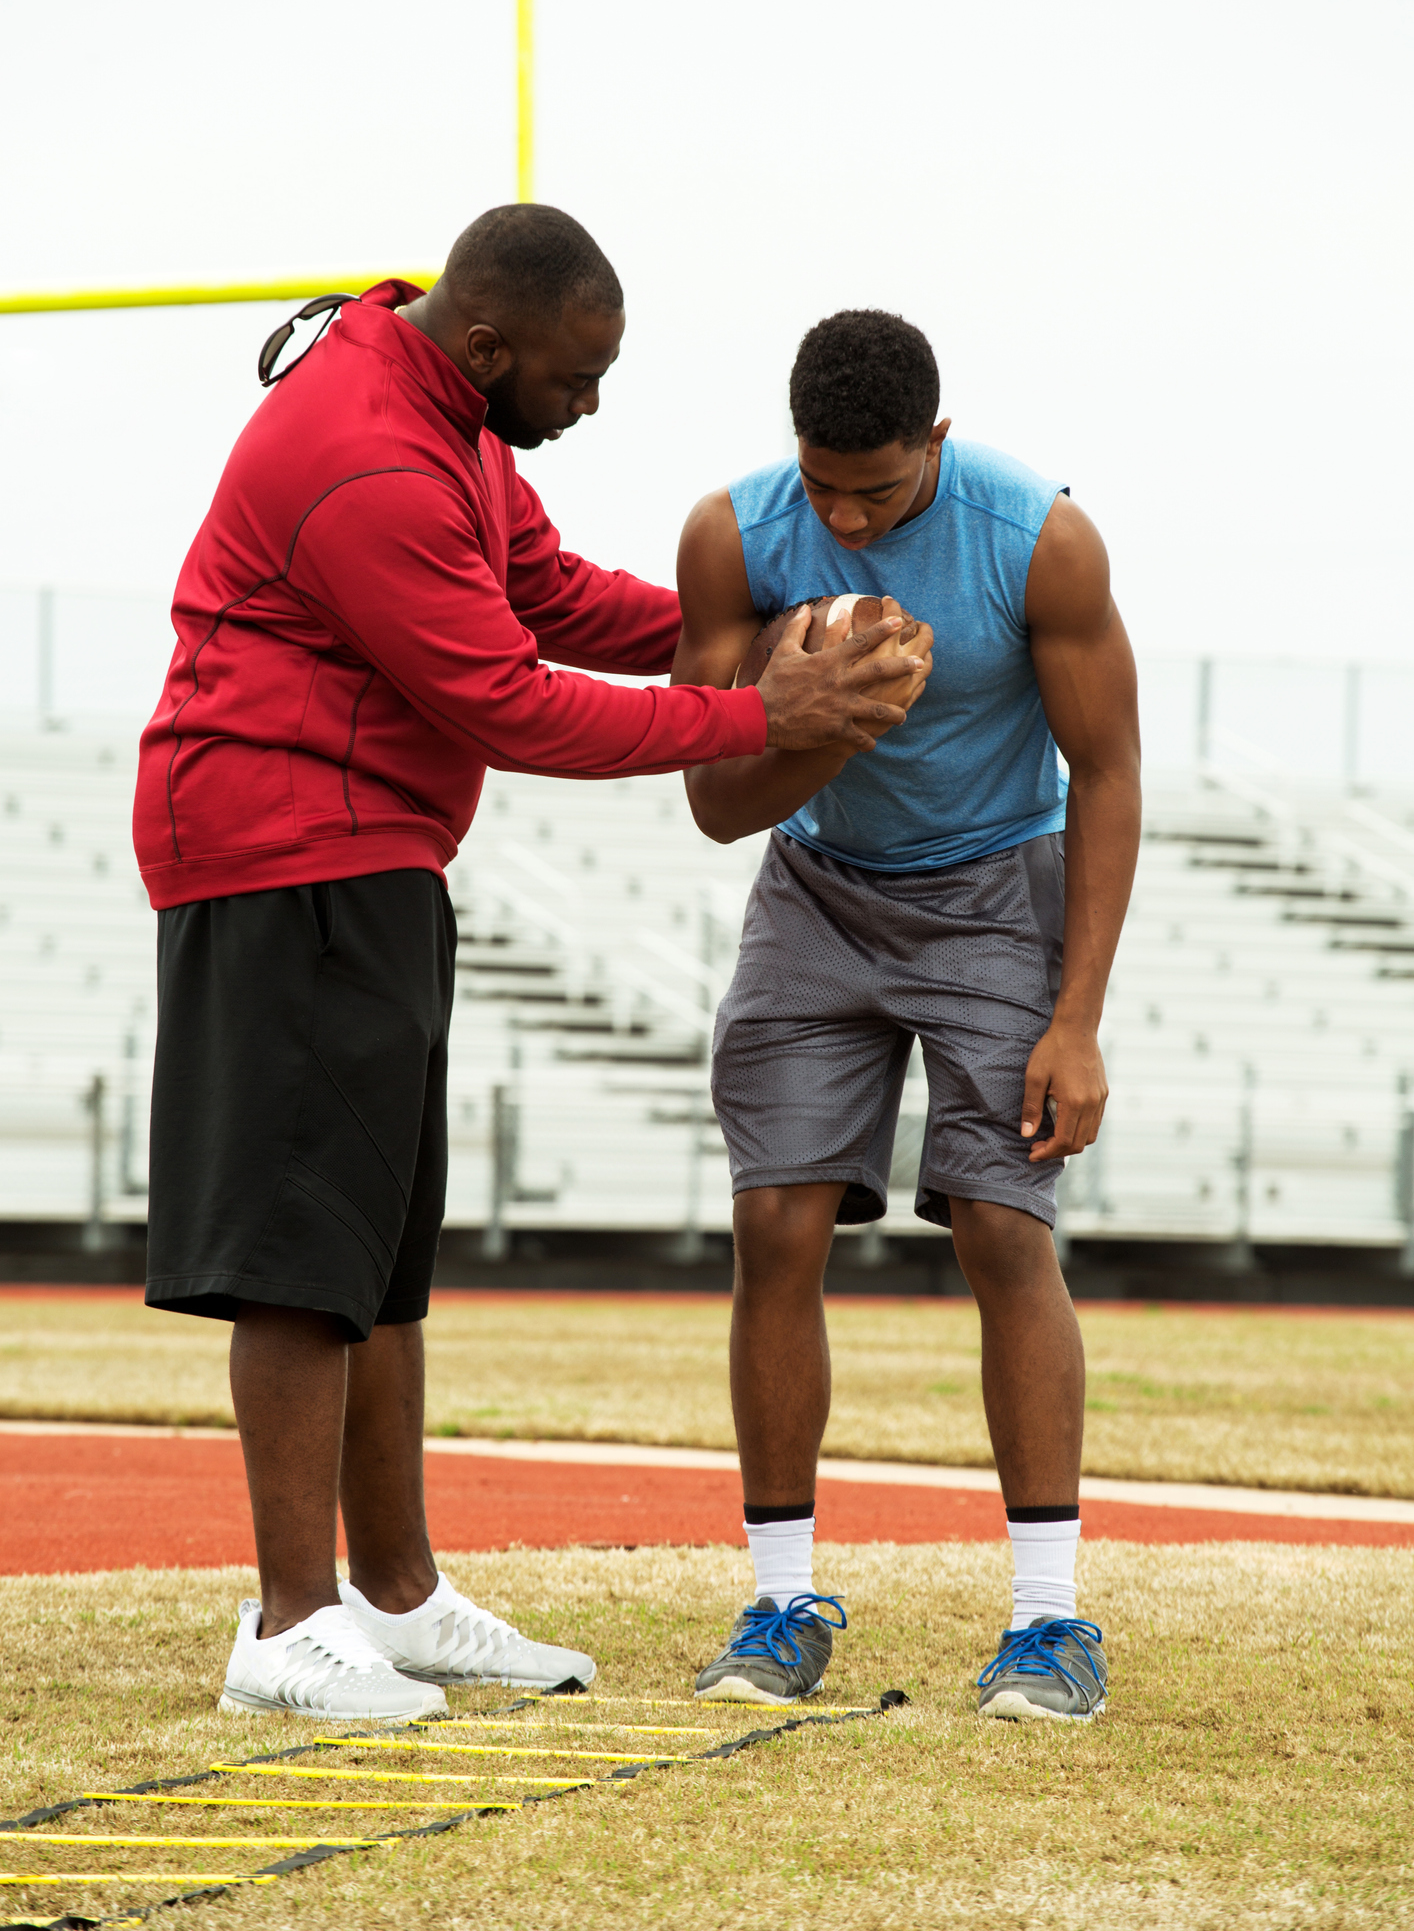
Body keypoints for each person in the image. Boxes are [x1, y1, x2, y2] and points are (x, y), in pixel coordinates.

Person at [133, 212, 929, 1722]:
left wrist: (749, 632)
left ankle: (398, 1592)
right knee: (304, 1264)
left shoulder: (445, 410)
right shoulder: (369, 454)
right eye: (578, 376)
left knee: (381, 1263)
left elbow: (546, 591)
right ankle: (287, 1624)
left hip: (367, 847)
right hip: (283, 842)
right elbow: (512, 701)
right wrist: (768, 715)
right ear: (490, 347)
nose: (591, 403)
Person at [672, 308, 1140, 1719]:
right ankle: (777, 1601)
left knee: (1003, 1225)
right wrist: (810, 721)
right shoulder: (732, 534)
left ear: (935, 442)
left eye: (875, 488)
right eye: (822, 483)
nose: (844, 515)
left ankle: (1048, 1625)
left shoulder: (1036, 536)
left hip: (998, 882)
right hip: (814, 882)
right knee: (774, 1222)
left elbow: (1107, 773)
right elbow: (711, 801)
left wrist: (1077, 1018)